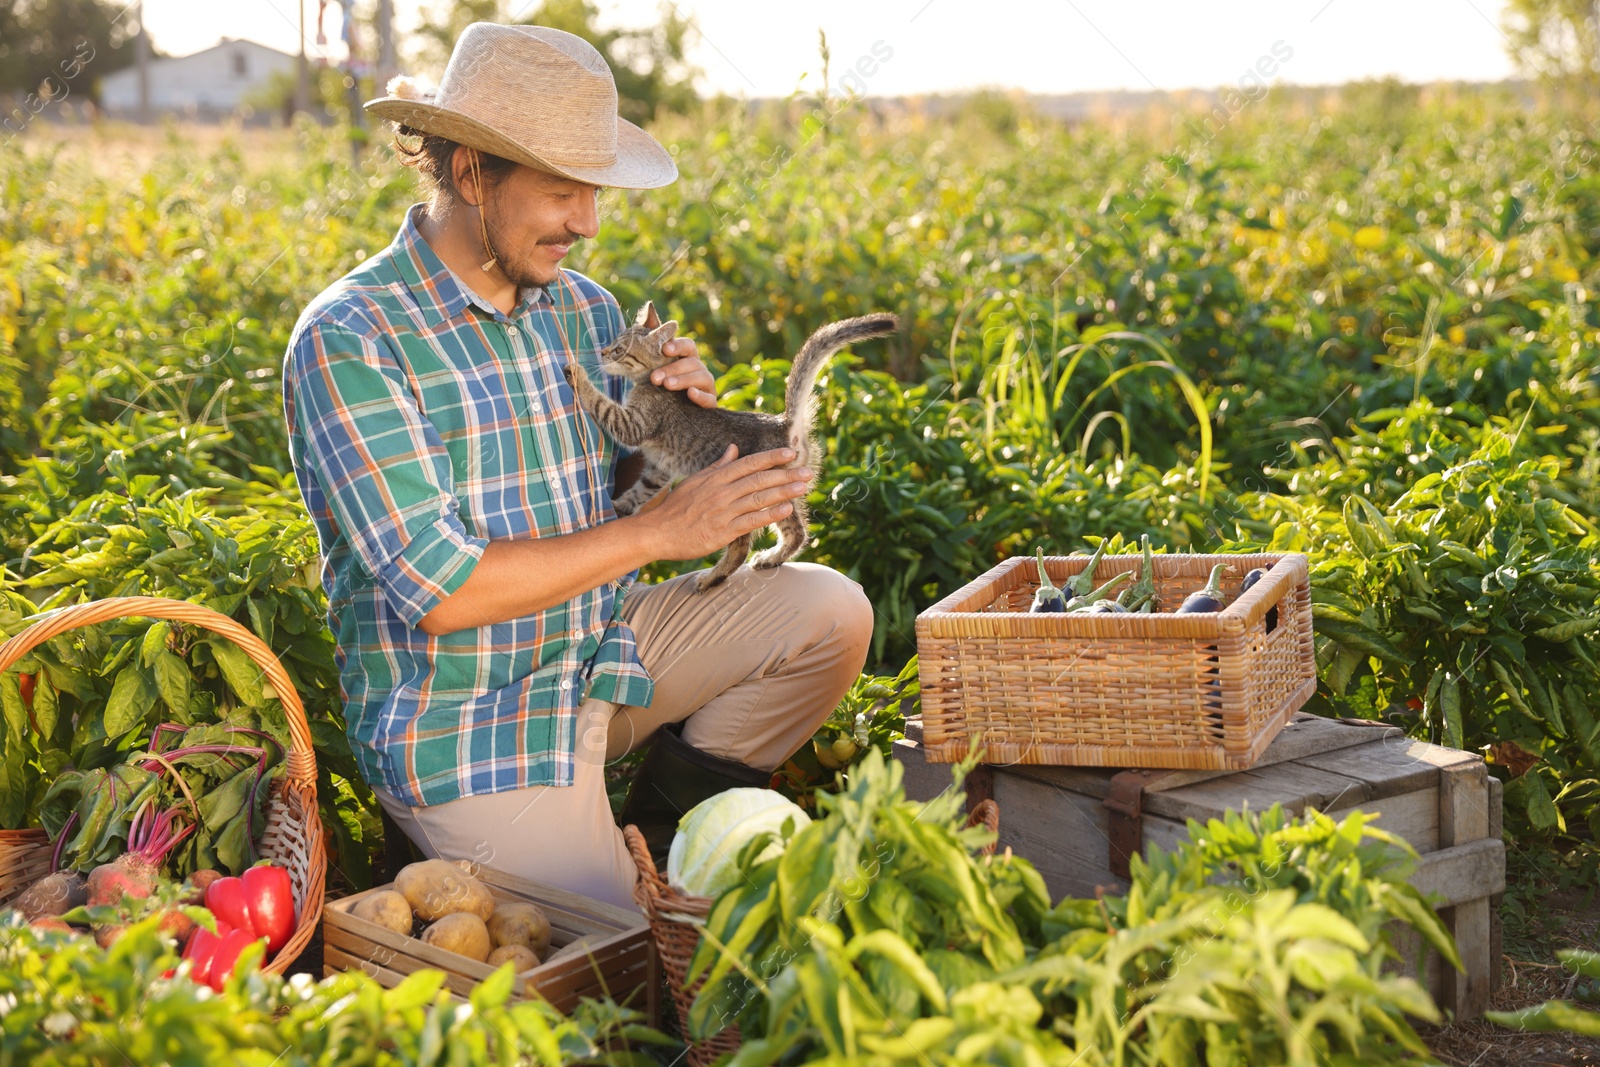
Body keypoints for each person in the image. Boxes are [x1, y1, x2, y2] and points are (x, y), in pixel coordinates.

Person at [281, 22, 873, 910]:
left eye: (592, 193)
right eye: (563, 193)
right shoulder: (353, 339)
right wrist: (658, 531)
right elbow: (444, 593)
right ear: (471, 170)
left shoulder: (581, 310)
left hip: (597, 650)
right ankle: (613, 887)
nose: (588, 223)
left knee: (829, 612)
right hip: (467, 722)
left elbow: (616, 481)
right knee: (621, 975)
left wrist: (674, 421)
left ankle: (665, 843)